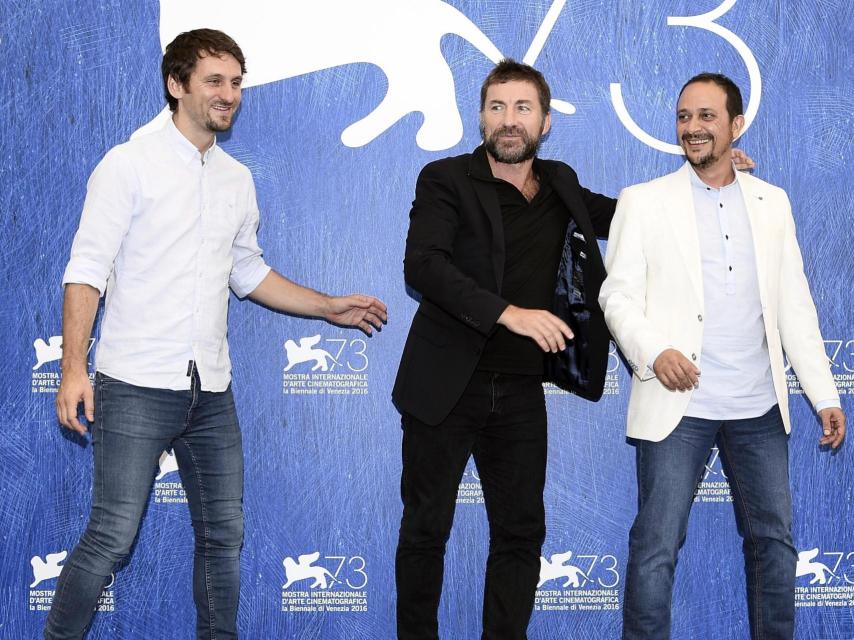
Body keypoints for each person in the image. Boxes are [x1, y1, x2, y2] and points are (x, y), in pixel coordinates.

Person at [46, 28, 386, 640]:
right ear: (176, 86)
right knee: (111, 536)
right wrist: (73, 369)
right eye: (213, 81)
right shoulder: (127, 165)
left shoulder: (235, 179)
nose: (228, 94)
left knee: (224, 538)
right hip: (134, 386)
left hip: (211, 390)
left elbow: (248, 272)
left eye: (235, 82)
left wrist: (327, 307)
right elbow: (86, 271)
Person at [598, 72, 845, 640]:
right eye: (685, 116)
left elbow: (794, 304)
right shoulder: (644, 201)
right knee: (656, 546)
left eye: (707, 116)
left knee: (775, 544)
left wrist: (824, 394)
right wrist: (653, 351)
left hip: (759, 406)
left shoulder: (771, 202)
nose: (693, 127)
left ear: (736, 125)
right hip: (677, 406)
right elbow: (617, 295)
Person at [391, 59, 615, 640]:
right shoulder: (444, 179)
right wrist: (508, 313)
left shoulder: (561, 183)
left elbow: (635, 215)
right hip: (443, 385)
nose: (508, 120)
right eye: (497, 107)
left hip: (519, 392)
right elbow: (424, 266)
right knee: (424, 531)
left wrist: (705, 178)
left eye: (522, 108)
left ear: (545, 122)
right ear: (481, 117)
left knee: (520, 534)